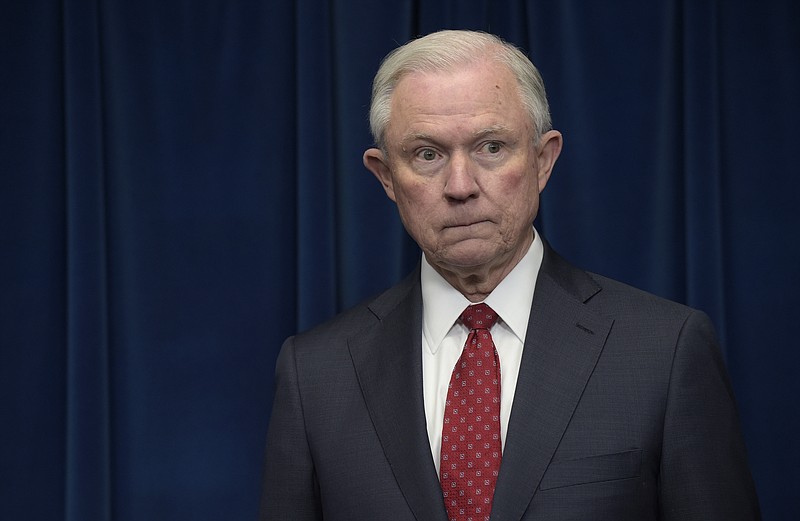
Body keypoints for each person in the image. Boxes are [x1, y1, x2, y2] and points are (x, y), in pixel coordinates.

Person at [259, 30, 760, 520]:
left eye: (491, 147)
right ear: (386, 176)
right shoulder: (316, 374)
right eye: (427, 154)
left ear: (543, 161)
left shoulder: (665, 351)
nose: (460, 186)